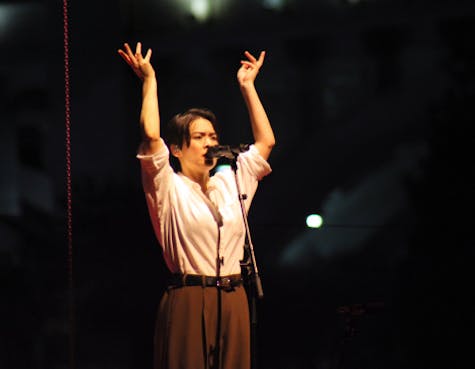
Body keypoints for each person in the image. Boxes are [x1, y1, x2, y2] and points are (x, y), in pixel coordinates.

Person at [117, 41, 275, 369]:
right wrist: (150, 80)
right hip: (189, 295)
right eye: (200, 137)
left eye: (213, 137)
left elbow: (266, 143)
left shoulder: (231, 179)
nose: (209, 143)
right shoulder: (167, 184)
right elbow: (150, 134)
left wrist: (247, 87)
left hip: (234, 295)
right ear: (177, 149)